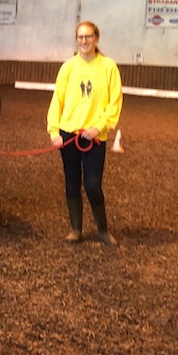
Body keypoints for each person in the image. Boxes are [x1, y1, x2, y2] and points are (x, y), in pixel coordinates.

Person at [47, 21, 123, 246]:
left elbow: (115, 102)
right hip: (68, 134)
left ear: (96, 38)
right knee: (71, 182)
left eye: (88, 36)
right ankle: (76, 229)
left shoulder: (108, 67)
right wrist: (54, 130)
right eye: (80, 37)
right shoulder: (68, 67)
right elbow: (57, 100)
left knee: (92, 184)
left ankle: (102, 229)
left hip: (94, 138)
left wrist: (99, 127)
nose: (84, 41)